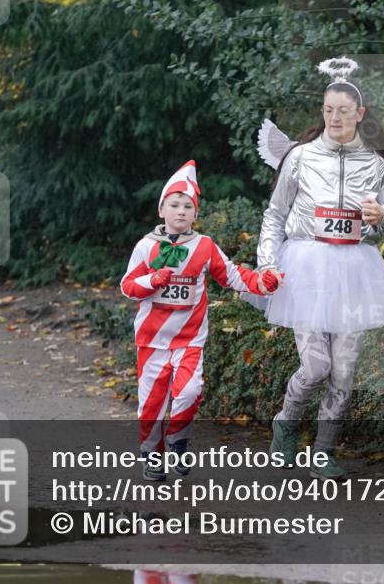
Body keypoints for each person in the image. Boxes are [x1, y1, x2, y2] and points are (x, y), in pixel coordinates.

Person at [251, 56, 384, 480]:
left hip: (355, 271)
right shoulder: (300, 157)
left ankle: (323, 450)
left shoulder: (376, 162)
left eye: (343, 111)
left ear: (359, 113)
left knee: (344, 369)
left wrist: (383, 216)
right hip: (305, 267)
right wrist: (267, 264)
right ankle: (286, 420)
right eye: (328, 110)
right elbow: (274, 215)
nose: (335, 118)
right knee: (316, 367)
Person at [120, 160, 281, 481]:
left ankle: (178, 442)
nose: (181, 211)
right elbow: (127, 287)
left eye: (187, 206)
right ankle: (152, 456)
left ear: (195, 213)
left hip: (189, 340)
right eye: (174, 205)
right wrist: (152, 280)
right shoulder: (145, 246)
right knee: (151, 404)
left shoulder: (205, 246)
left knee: (190, 392)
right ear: (161, 210)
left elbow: (232, 275)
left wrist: (263, 283)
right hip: (151, 341)